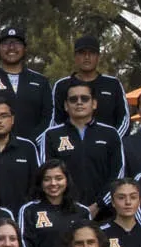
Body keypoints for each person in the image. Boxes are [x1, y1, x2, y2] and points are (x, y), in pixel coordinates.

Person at [40, 79, 126, 211]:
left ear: (94, 104)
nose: (79, 102)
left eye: (84, 98)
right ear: (66, 105)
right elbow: (47, 175)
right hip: (65, 211)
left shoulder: (110, 134)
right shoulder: (51, 135)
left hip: (104, 211)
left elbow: (118, 173)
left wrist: (99, 204)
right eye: (73, 99)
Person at [0, 26, 51, 142]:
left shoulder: (41, 81)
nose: (11, 47)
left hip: (32, 151)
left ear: (25, 49)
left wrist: (30, 144)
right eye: (6, 43)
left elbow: (48, 117)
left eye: (17, 43)